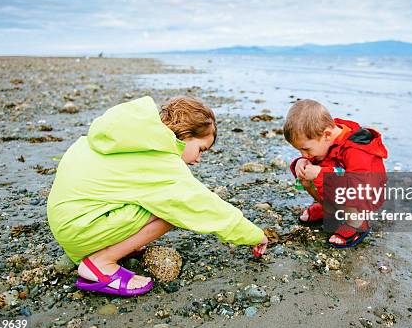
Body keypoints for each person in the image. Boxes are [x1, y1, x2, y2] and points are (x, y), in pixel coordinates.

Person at [47, 96, 267, 296]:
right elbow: (201, 205)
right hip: (80, 228)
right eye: (201, 149)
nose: (199, 159)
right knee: (173, 209)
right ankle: (101, 263)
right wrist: (254, 234)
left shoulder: (130, 137)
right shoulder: (159, 160)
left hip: (69, 221)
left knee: (162, 200)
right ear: (187, 135)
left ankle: (113, 246)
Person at [283, 99, 388, 248]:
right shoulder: (324, 137)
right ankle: (328, 209)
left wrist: (320, 173)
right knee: (307, 175)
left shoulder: (356, 151)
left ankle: (356, 222)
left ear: (327, 135)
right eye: (300, 151)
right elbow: (316, 162)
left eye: (306, 149)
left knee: (319, 174)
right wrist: (301, 162)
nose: (304, 154)